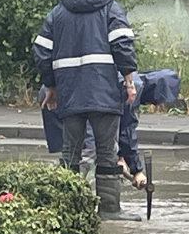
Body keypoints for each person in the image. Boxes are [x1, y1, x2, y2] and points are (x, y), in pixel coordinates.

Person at [33, 0, 143, 221]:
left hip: (69, 94)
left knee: (71, 152)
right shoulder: (110, 8)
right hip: (103, 92)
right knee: (106, 151)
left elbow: (41, 51)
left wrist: (51, 87)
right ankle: (109, 210)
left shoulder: (58, 13)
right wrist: (128, 81)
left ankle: (67, 209)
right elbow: (122, 45)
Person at [39, 69, 180, 181]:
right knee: (87, 153)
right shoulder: (134, 88)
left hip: (54, 91)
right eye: (160, 101)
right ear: (158, 92)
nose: (155, 105)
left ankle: (53, 187)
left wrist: (120, 157)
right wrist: (136, 170)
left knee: (70, 153)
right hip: (74, 99)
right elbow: (126, 129)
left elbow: (115, 130)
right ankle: (70, 196)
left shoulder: (129, 78)